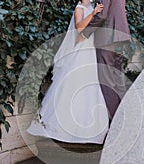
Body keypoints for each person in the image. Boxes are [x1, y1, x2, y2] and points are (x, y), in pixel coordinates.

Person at [26, 0, 109, 144]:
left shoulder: (90, 6)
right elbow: (79, 28)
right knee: (73, 84)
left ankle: (87, 129)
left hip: (89, 49)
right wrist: (94, 14)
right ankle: (59, 126)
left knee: (89, 87)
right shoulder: (80, 8)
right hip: (80, 50)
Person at [79, 0, 131, 122]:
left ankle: (114, 124)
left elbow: (102, 15)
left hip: (107, 38)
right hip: (119, 36)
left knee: (107, 81)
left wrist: (85, 33)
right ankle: (124, 118)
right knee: (117, 78)